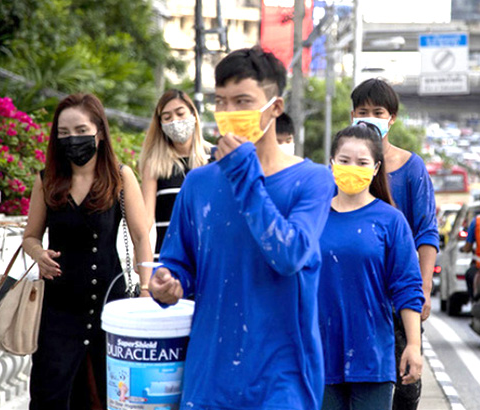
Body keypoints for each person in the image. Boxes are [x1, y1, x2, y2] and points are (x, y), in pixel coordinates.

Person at [148, 46, 335, 410]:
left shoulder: (313, 181)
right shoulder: (198, 184)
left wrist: (243, 172)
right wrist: (167, 283)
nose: (229, 114)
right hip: (209, 380)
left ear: (275, 107)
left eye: (243, 101)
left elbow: (289, 253)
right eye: (221, 102)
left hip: (283, 382)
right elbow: (179, 265)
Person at [21, 93, 152, 409]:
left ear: (100, 132)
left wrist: (145, 288)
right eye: (63, 134)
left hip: (111, 306)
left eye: (81, 131)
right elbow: (30, 237)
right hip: (59, 309)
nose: (72, 140)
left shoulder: (121, 177)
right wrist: (39, 254)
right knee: (50, 393)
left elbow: (140, 236)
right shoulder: (47, 180)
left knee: (110, 396)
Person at [318, 123, 424, 410]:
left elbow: (407, 287)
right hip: (318, 356)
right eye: (344, 160)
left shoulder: (391, 220)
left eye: (362, 162)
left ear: (376, 168)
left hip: (372, 357)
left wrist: (413, 346)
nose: (352, 167)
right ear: (332, 163)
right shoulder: (311, 217)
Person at [350, 78, 438, 410]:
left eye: (378, 111)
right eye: (362, 111)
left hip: (398, 299)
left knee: (404, 388)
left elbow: (427, 233)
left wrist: (424, 288)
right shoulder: (345, 168)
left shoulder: (411, 168)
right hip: (355, 296)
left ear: (392, 118)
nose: (370, 117)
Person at [139, 89, 211, 260]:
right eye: (167, 117)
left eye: (180, 113)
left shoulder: (214, 157)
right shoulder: (155, 165)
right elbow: (146, 217)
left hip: (209, 257)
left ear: (193, 114)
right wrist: (140, 248)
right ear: (160, 124)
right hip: (168, 259)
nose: (175, 121)